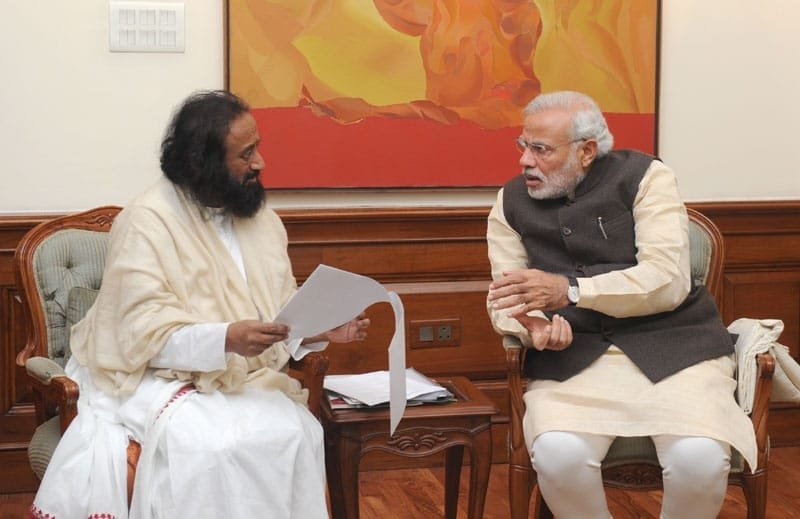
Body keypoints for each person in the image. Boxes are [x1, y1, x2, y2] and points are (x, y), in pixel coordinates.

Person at [31, 90, 370, 519]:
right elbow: (140, 335)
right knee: (210, 445)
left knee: (296, 430)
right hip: (150, 375)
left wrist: (318, 332)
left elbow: (278, 315)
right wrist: (225, 339)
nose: (261, 163)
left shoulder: (262, 221)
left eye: (258, 148)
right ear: (203, 162)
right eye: (247, 154)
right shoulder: (146, 221)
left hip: (241, 375)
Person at [486, 91, 755, 519]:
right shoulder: (509, 201)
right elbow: (505, 292)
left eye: (541, 149)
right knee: (559, 455)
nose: (525, 161)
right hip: (572, 361)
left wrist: (571, 291)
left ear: (587, 151)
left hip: (677, 350)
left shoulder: (647, 177)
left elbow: (666, 279)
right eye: (523, 146)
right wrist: (531, 325)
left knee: (699, 461)